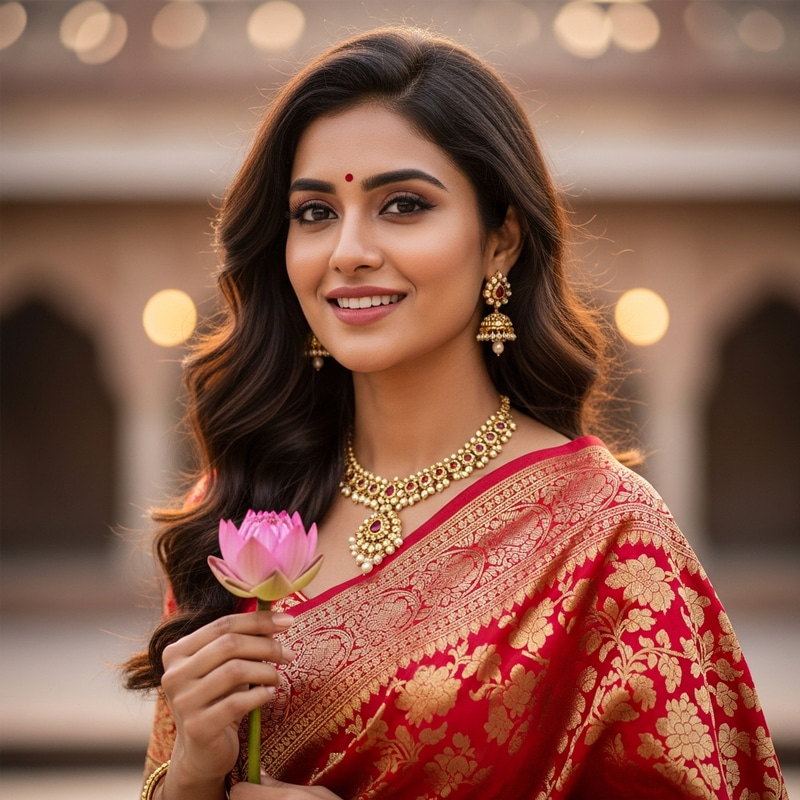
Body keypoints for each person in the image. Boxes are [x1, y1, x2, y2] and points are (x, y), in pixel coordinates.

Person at [124, 26, 787, 800]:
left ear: (500, 241)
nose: (348, 251)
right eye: (315, 212)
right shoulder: (247, 516)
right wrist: (190, 779)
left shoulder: (608, 538)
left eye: (403, 205)